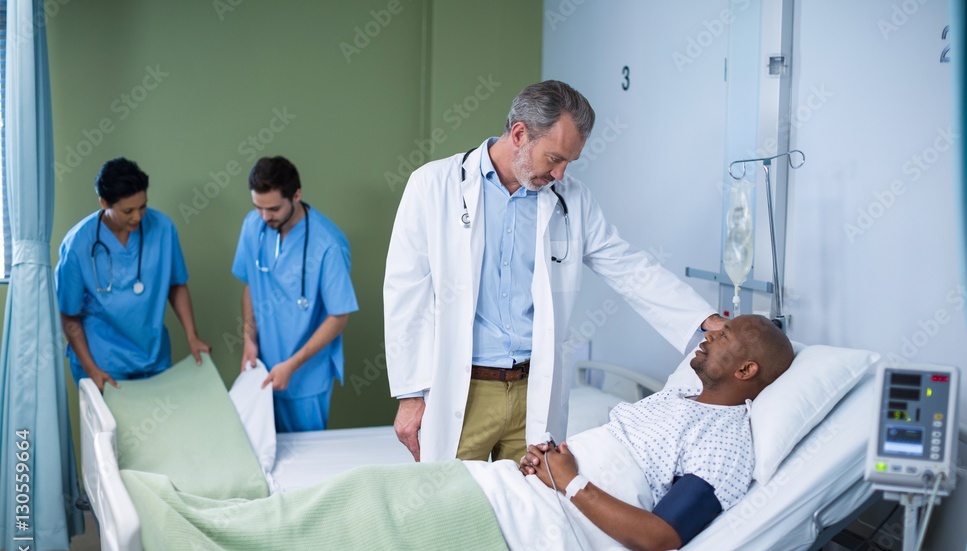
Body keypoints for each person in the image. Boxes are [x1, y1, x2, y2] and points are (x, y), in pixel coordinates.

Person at [384, 80, 725, 463]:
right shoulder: (434, 185)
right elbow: (405, 292)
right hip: (463, 389)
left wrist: (704, 318)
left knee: (531, 512)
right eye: (554, 158)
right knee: (454, 510)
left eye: (569, 162)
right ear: (519, 134)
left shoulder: (571, 200)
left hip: (534, 391)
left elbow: (628, 267)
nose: (561, 174)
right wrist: (411, 394)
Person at [519, 314, 794, 551]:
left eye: (724, 335)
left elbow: (661, 537)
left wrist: (569, 480)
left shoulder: (724, 442)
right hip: (534, 490)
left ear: (745, 370)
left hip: (555, 515)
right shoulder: (677, 396)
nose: (709, 334)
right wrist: (544, 462)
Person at [56, 157, 211, 392]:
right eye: (127, 210)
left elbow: (176, 284)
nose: (138, 217)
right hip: (102, 362)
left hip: (152, 356)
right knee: (111, 429)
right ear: (104, 203)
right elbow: (69, 315)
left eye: (143, 206)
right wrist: (91, 369)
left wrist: (192, 335)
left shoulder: (163, 228)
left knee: (158, 426)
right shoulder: (78, 244)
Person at [232, 156, 358, 433]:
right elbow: (251, 284)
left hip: (305, 378)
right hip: (262, 369)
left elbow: (339, 316)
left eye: (273, 209)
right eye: (258, 208)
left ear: (296, 195)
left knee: (303, 462)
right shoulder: (253, 226)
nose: (265, 217)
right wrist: (249, 340)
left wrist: (292, 365)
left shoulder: (328, 244)